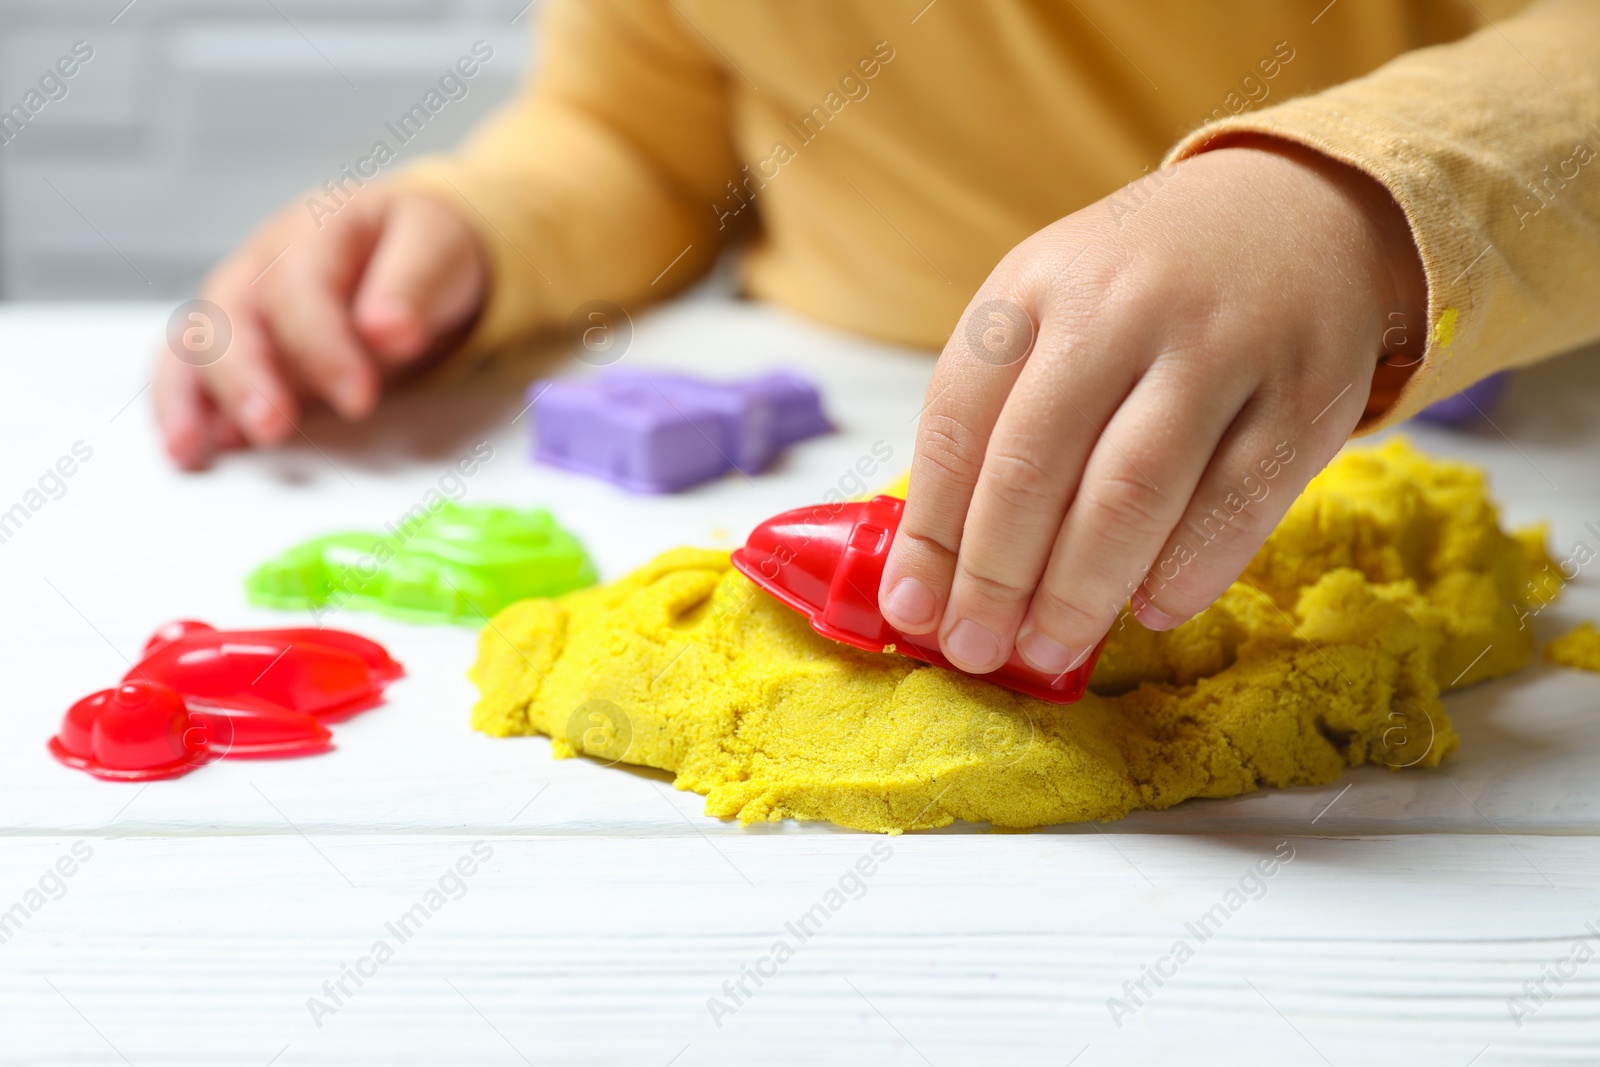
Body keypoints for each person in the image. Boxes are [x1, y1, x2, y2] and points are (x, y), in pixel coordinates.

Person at [153, 0, 1600, 679]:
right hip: (858, 396)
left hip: (1461, 388)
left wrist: (1343, 203)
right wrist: (474, 233)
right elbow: (637, 136)